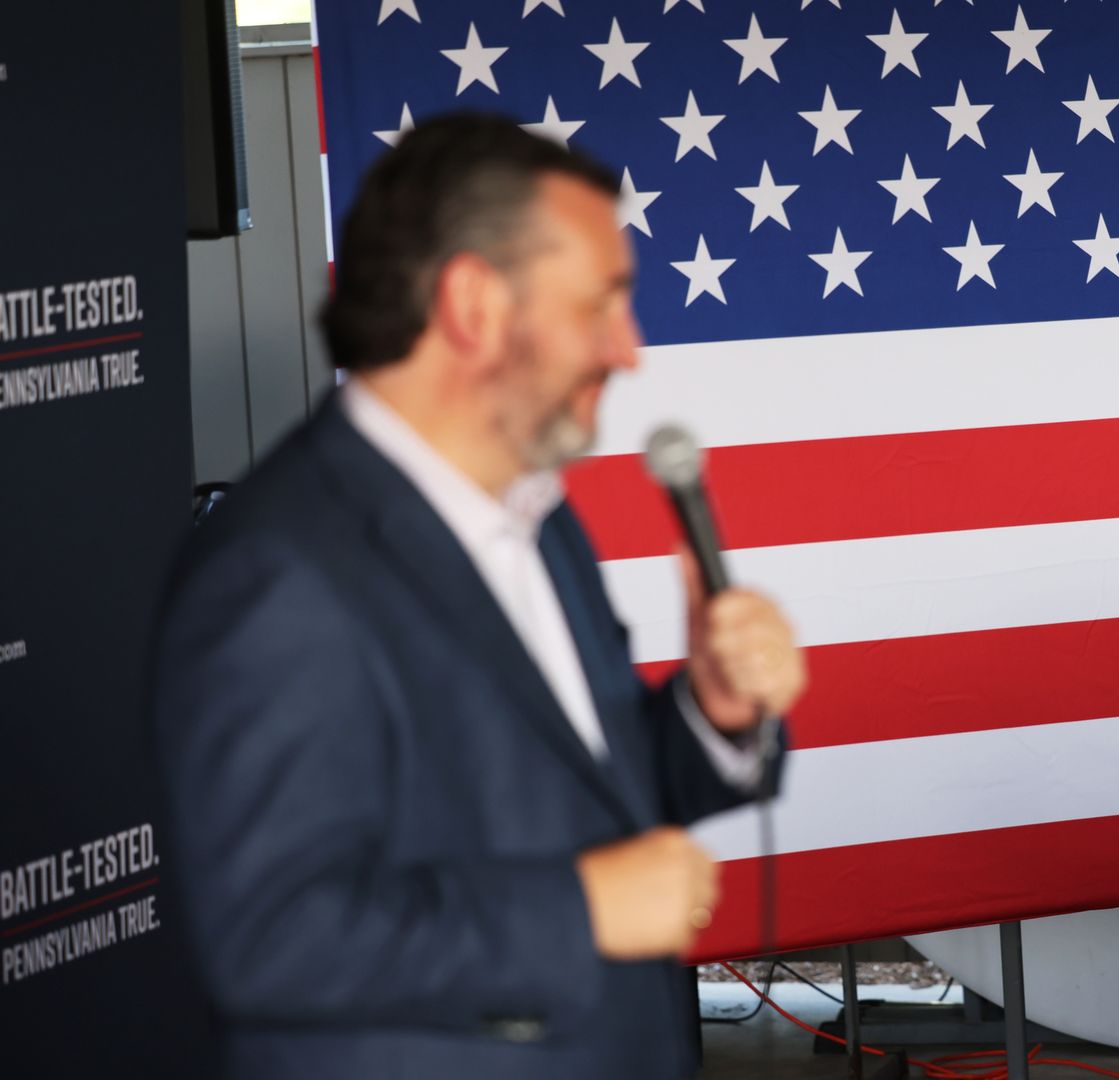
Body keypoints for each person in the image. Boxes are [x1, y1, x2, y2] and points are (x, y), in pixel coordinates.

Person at [151, 114, 806, 1079]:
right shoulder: (277, 572)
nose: (630, 351)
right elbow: (270, 938)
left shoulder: (540, 516)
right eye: (601, 305)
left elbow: (585, 797)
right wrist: (579, 911)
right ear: (474, 305)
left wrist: (708, 712)